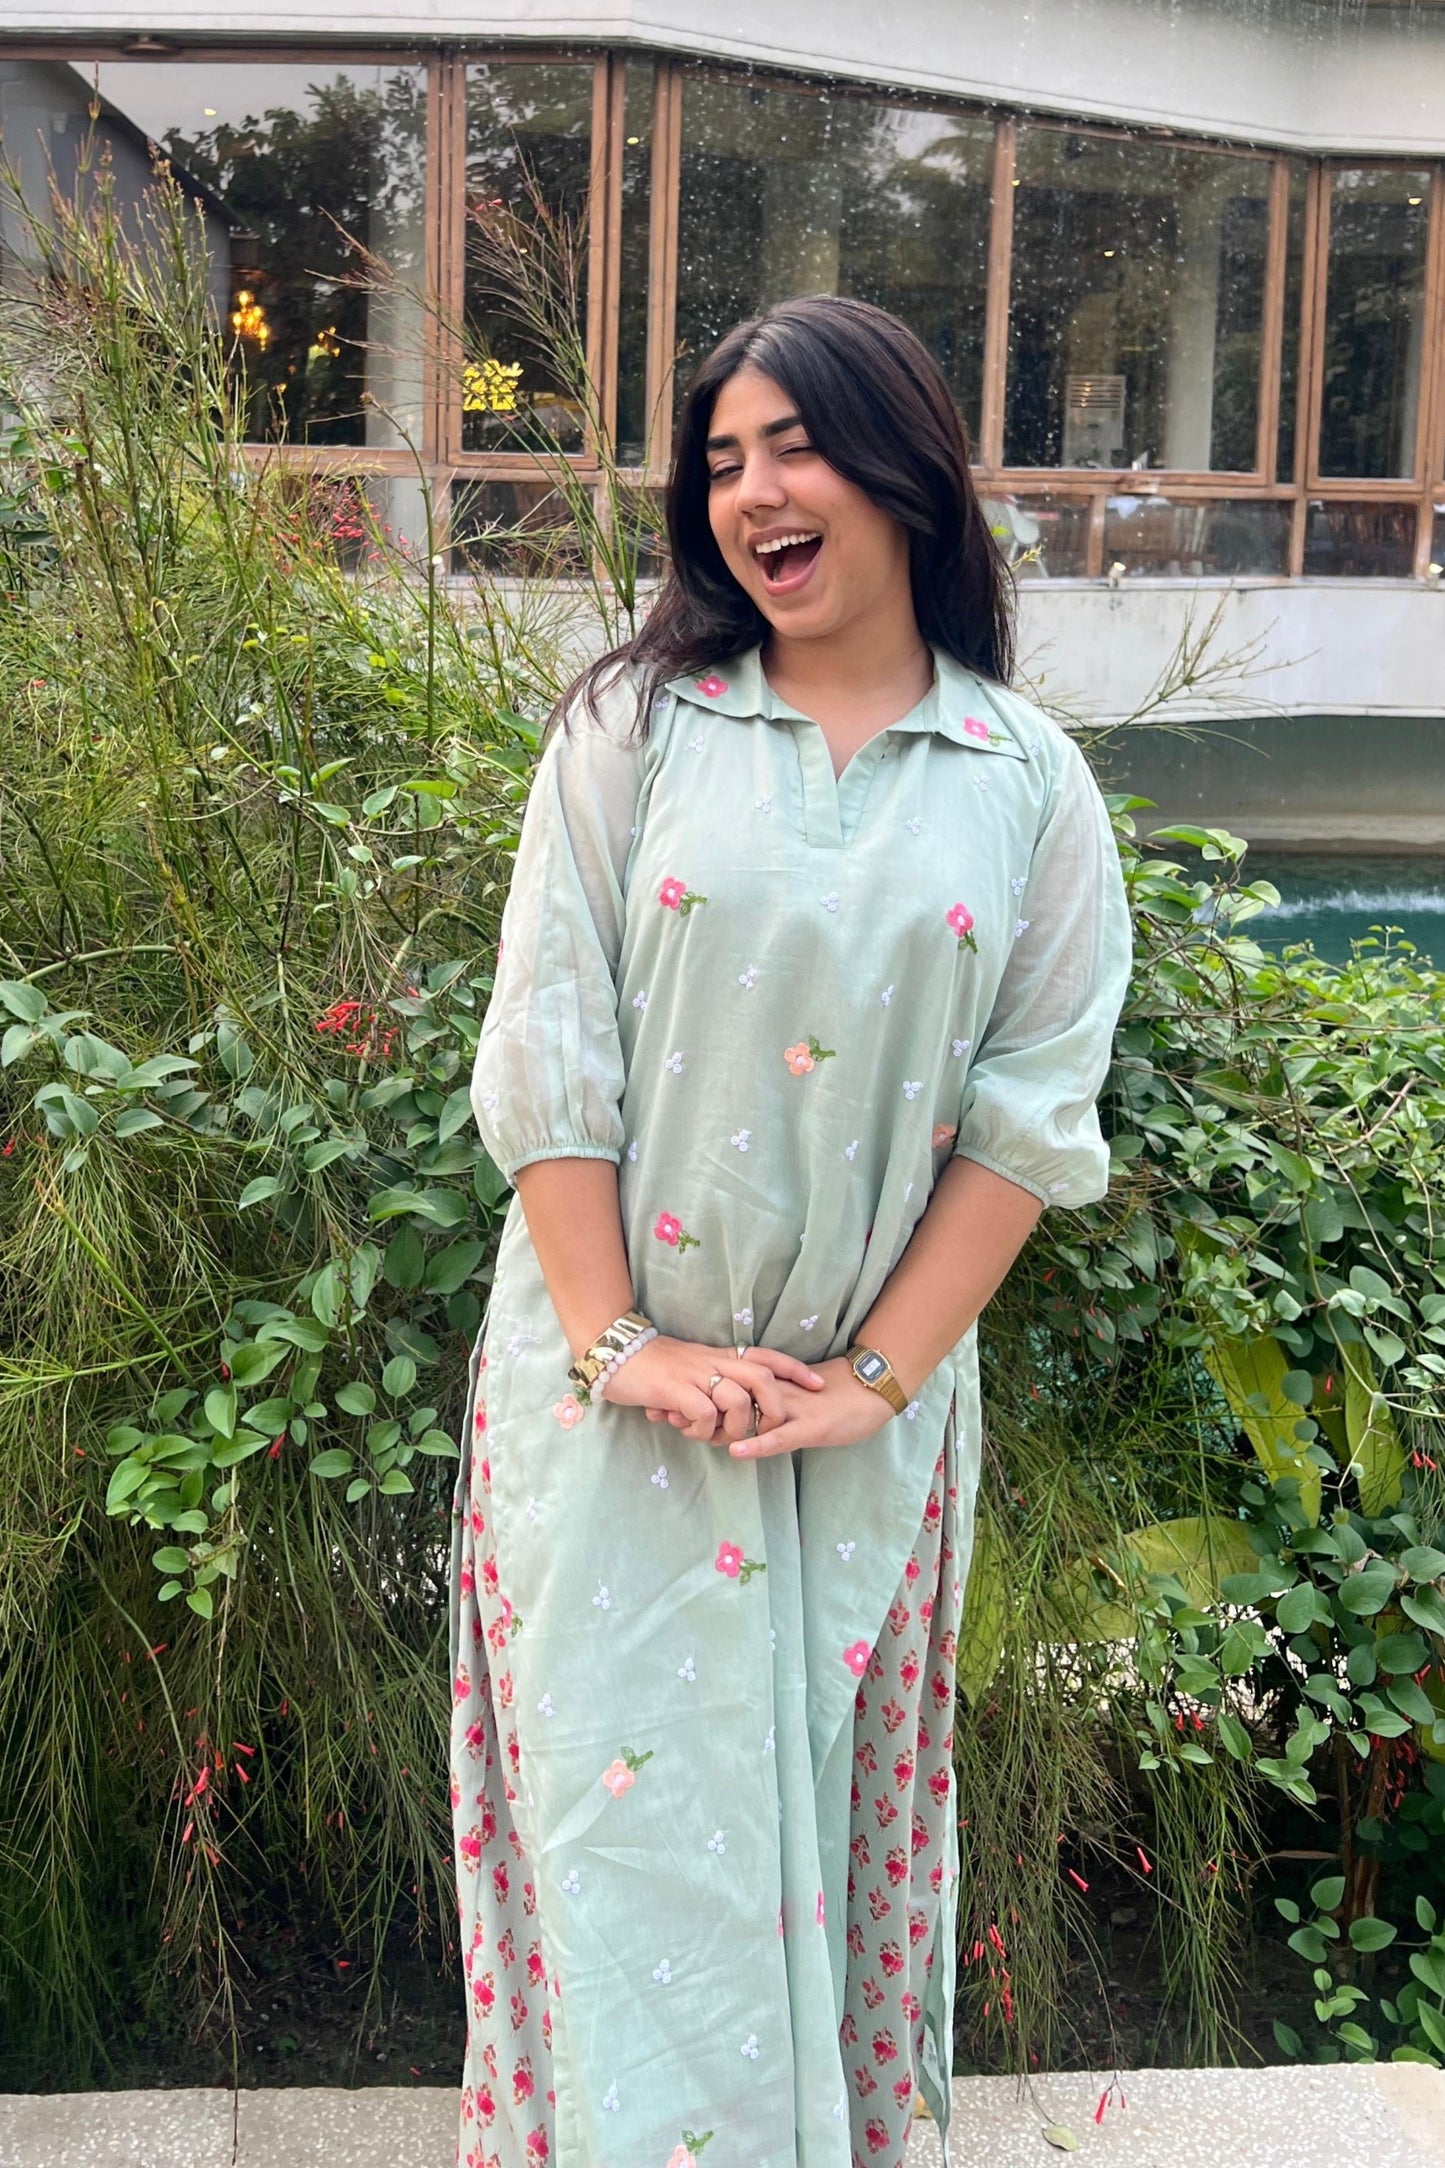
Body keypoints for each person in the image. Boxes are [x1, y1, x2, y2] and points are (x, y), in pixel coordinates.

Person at [449, 294, 1132, 2168]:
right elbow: (549, 1059)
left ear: (901, 465)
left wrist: (872, 1382)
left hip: (864, 1426)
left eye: (791, 444)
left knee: (835, 1834)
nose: (753, 489)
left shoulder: (1024, 782)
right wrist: (619, 1343)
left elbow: (1026, 1120)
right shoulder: (631, 732)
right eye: (721, 460)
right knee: (625, 1851)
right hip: (605, 1411)